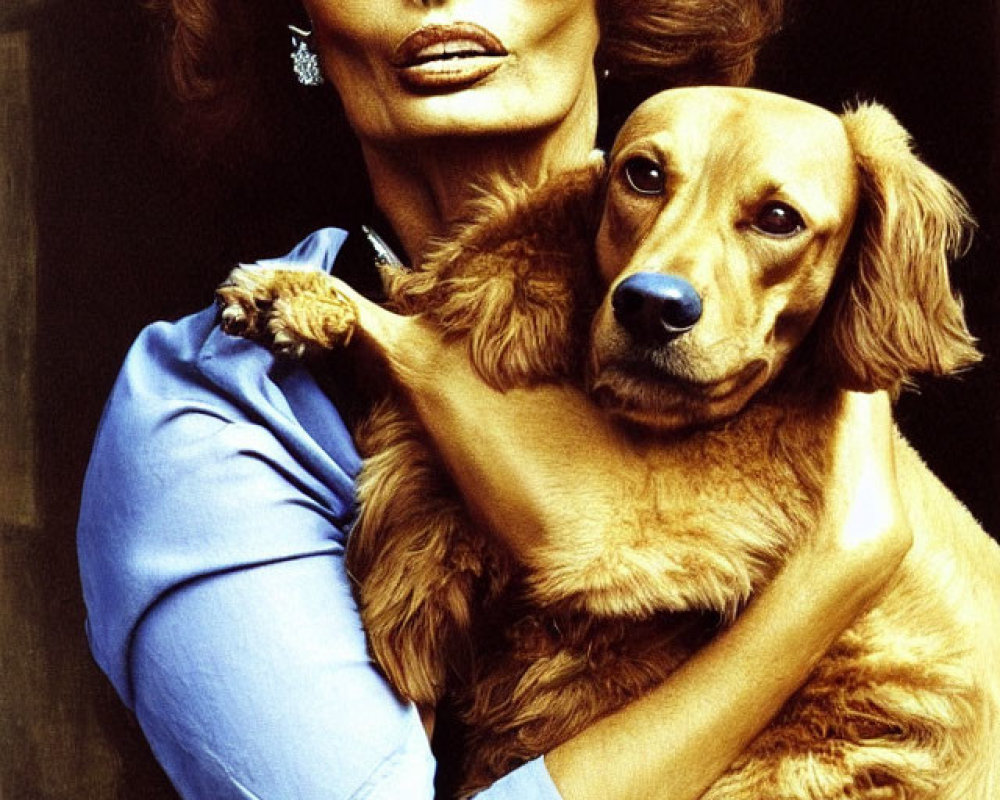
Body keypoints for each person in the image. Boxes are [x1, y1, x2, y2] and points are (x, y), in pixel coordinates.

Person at [77, 1, 912, 798]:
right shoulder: (210, 419)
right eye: (648, 181)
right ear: (301, 20)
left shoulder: (796, 306)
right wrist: (825, 587)